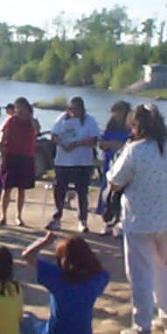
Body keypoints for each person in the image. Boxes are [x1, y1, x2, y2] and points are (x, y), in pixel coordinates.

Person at [107, 104, 167, 334]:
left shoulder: (135, 150)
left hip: (140, 219)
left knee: (140, 275)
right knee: (159, 267)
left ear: (137, 126)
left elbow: (114, 181)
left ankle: (141, 327)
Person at [20, 231, 109, 334]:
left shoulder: (57, 276)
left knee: (27, 318)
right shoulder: (98, 279)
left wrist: (45, 242)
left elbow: (27, 255)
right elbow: (101, 270)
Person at [46, 97, 100, 233]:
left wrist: (76, 144)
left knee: (82, 191)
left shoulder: (90, 121)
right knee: (59, 190)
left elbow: (94, 140)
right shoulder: (61, 119)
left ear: (81, 109)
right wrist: (61, 144)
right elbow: (53, 136)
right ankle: (57, 217)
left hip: (82, 162)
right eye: (70, 108)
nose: (72, 111)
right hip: (63, 161)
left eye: (75, 108)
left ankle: (82, 220)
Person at [0, 97, 36, 227]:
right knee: (7, 188)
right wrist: (3, 158)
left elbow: (37, 131)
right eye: (17, 107)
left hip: (26, 157)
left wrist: (30, 118)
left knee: (21, 189)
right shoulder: (10, 121)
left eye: (22, 107)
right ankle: (3, 215)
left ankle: (19, 216)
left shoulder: (32, 122)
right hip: (10, 156)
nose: (19, 110)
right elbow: (2, 139)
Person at [96, 100, 132, 233]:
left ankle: (122, 222)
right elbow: (103, 143)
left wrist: (114, 144)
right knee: (107, 192)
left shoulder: (130, 129)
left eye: (120, 112)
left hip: (124, 165)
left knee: (122, 193)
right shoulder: (110, 128)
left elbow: (126, 146)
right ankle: (107, 221)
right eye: (115, 112)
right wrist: (110, 144)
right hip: (109, 164)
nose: (117, 115)